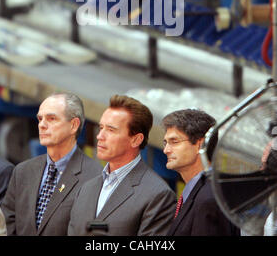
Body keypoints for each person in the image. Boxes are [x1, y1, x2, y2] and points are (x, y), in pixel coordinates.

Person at [68, 94, 177, 236]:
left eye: (111, 130)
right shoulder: (86, 189)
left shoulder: (158, 195)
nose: (100, 136)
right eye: (101, 128)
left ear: (136, 140)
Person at [1, 92, 102, 236]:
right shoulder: (22, 171)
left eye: (51, 118)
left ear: (73, 125)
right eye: (40, 119)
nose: (42, 125)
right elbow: (7, 226)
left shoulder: (96, 178)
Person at [162, 108, 240, 236]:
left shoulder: (209, 199)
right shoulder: (201, 190)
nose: (166, 150)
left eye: (174, 142)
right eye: (165, 143)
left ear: (200, 145)